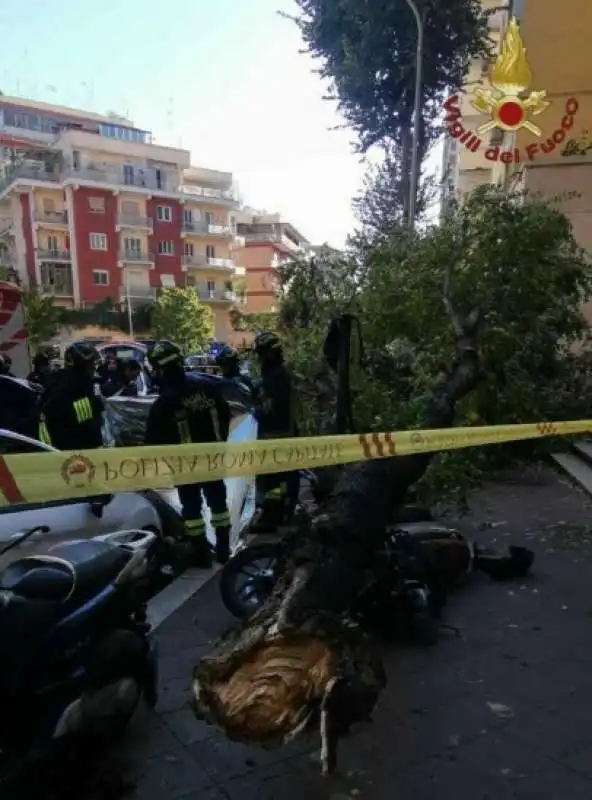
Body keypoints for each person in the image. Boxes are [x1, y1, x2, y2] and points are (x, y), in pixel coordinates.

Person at [145, 341, 232, 566]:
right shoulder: (206, 386)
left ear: (159, 369)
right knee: (218, 504)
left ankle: (201, 553)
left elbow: (153, 440)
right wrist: (220, 443)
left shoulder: (165, 401)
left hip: (185, 464)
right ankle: (224, 549)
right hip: (212, 457)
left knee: (192, 509)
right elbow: (225, 414)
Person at [251, 331, 298, 531]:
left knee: (272, 482)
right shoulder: (275, 374)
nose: (260, 358)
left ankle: (272, 518)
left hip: (276, 434)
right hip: (281, 433)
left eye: (262, 354)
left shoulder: (277, 376)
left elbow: (271, 406)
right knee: (281, 480)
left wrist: (255, 413)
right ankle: (280, 513)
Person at [38, 341, 104, 450]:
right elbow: (91, 430)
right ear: (83, 366)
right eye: (92, 364)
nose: (94, 368)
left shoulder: (55, 382)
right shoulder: (81, 391)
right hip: (73, 453)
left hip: (49, 448)